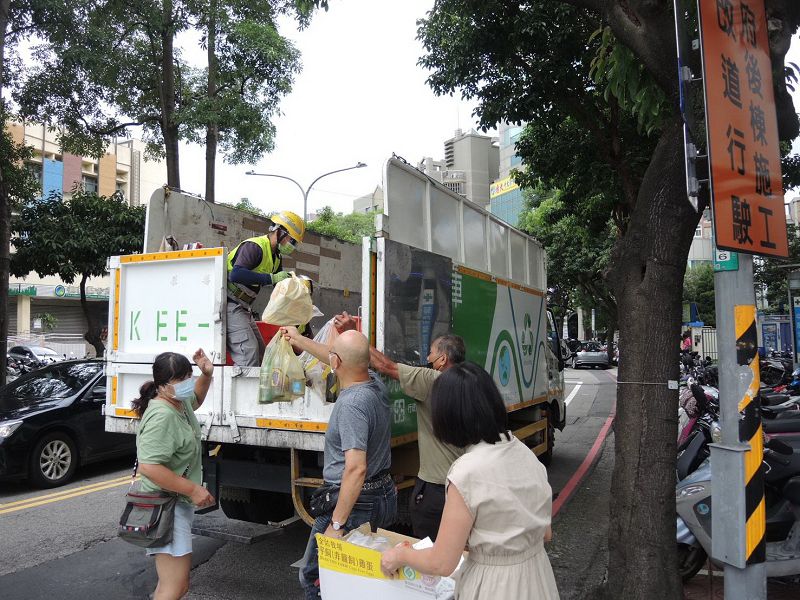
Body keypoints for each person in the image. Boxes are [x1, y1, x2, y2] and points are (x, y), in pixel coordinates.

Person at [380, 362, 559, 600]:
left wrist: (400, 556)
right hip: (538, 578)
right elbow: (546, 533)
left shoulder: (467, 471)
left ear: (449, 417)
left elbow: (441, 562)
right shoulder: (524, 452)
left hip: (495, 587)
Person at [282, 327, 398, 600]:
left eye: (332, 354)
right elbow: (340, 358)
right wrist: (298, 339)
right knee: (362, 581)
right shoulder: (375, 385)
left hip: (356, 502)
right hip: (382, 494)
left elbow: (356, 468)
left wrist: (336, 524)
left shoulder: (352, 404)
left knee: (314, 576)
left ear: (336, 362)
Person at [335, 311, 464, 540]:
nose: (427, 357)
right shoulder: (468, 381)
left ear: (443, 359)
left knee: (430, 548)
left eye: (431, 353)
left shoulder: (433, 381)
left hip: (437, 486)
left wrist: (353, 335)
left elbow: (385, 366)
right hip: (463, 483)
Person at [132, 350, 216, 600]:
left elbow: (196, 398)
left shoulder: (179, 403)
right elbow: (149, 466)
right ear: (162, 386)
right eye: (180, 379)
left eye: (189, 376)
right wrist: (193, 489)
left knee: (172, 586)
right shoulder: (162, 415)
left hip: (174, 504)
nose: (187, 383)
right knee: (174, 587)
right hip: (165, 507)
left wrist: (206, 374)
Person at [226, 210, 305, 366]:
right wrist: (271, 278)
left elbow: (279, 287)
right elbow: (236, 274)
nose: (292, 246)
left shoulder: (276, 257)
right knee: (249, 354)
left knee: (263, 355)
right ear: (280, 232)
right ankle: (242, 382)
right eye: (292, 240)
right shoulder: (255, 247)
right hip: (229, 304)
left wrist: (297, 291)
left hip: (244, 307)